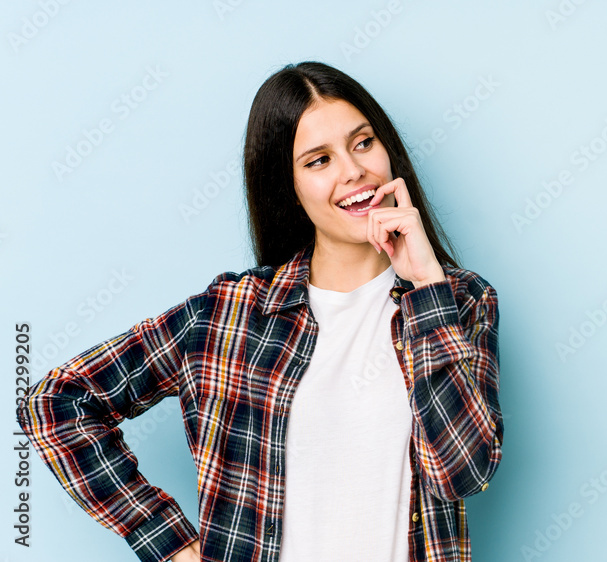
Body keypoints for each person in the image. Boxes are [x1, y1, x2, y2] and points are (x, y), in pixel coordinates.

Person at [16, 61, 503, 562]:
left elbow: (462, 471)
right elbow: (56, 402)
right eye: (318, 160)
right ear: (286, 184)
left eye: (362, 143)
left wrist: (425, 285)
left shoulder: (460, 302)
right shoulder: (227, 315)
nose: (353, 170)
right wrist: (170, 544)